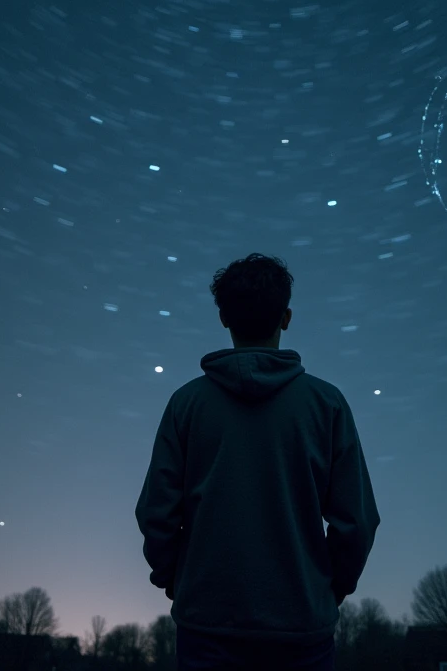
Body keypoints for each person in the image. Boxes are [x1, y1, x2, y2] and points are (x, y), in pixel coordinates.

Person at [136, 252, 380, 670]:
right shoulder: (326, 404)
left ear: (224, 319)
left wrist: (178, 581)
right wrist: (327, 589)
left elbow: (156, 514)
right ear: (285, 317)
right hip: (302, 629)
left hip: (206, 629)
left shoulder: (186, 405)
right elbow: (355, 521)